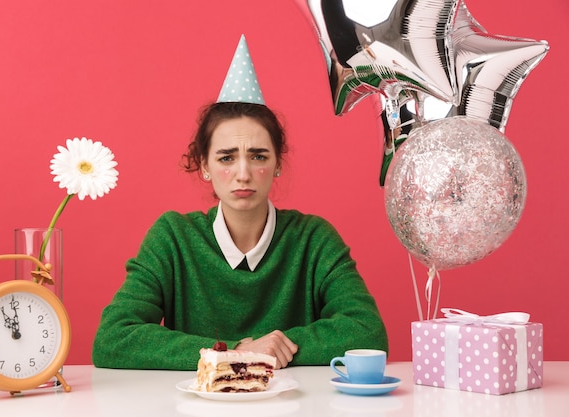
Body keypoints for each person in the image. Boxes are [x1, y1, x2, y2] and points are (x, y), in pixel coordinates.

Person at [92, 36, 388, 371]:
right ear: (204, 166)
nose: (243, 173)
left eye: (258, 156)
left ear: (277, 163)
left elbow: (368, 333)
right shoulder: (172, 237)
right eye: (226, 158)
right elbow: (113, 339)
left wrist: (270, 349)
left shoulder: (313, 239)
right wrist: (234, 354)